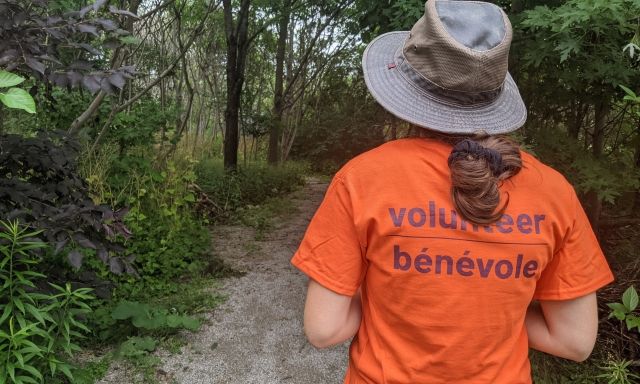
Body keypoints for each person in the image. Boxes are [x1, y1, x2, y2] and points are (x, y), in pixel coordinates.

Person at [290, 1, 615, 383]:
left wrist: (389, 302)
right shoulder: (554, 191)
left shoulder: (362, 179)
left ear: (405, 87)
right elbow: (574, 341)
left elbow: (323, 329)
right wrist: (493, 317)